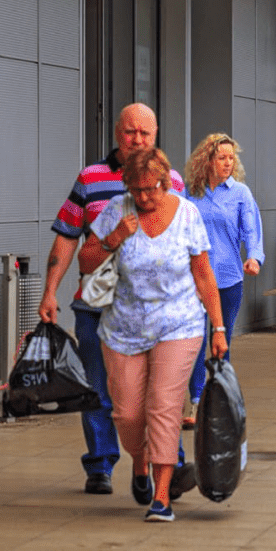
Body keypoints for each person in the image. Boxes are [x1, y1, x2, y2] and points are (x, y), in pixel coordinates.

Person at [38, 103, 193, 498]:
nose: (137, 139)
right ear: (116, 134)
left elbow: (187, 245)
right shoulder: (91, 178)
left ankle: (167, 465)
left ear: (155, 135)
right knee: (100, 388)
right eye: (129, 132)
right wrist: (50, 290)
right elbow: (67, 234)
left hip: (158, 311)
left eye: (145, 133)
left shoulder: (173, 180)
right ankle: (101, 463)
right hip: (98, 305)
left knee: (161, 391)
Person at [82, 148, 227, 522]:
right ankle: (140, 460)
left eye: (151, 189)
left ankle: (161, 497)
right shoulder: (117, 209)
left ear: (166, 182)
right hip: (123, 328)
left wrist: (219, 327)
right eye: (137, 189)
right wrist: (115, 236)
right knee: (128, 414)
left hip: (179, 324)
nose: (144, 197)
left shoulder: (187, 214)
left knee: (163, 407)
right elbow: (86, 260)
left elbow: (203, 274)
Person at [182, 133, 262, 425]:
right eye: (222, 157)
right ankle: (194, 402)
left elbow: (251, 229)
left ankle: (218, 402)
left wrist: (254, 256)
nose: (228, 163)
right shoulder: (190, 193)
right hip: (194, 280)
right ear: (207, 160)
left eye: (231, 158)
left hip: (228, 278)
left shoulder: (240, 193)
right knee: (195, 340)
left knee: (220, 340)